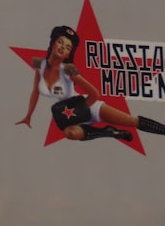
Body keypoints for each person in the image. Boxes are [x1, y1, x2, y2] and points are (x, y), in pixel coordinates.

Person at [16, 25, 165, 141]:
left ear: (69, 53)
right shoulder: (40, 67)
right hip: (70, 114)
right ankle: (108, 132)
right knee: (70, 133)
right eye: (60, 42)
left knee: (132, 121)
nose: (63, 47)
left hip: (88, 106)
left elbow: (94, 94)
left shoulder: (68, 71)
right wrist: (29, 115)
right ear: (53, 43)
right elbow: (35, 91)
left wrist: (81, 109)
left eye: (68, 47)